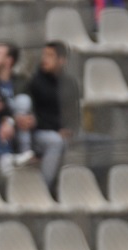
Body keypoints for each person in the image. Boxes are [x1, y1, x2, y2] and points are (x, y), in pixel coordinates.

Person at [25, 41, 80, 188]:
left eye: (50, 56)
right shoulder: (35, 82)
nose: (44, 59)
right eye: (44, 55)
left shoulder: (70, 83)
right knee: (56, 141)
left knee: (101, 142)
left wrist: (70, 129)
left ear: (62, 60)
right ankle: (43, 189)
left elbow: (75, 113)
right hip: (40, 134)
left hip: (64, 132)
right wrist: (58, 129)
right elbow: (34, 117)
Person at [0, 41, 36, 175]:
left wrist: (32, 119)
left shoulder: (22, 81)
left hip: (18, 127)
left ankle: (25, 152)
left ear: (8, 60)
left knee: (23, 100)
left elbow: (32, 106)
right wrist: (11, 119)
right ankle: (7, 157)